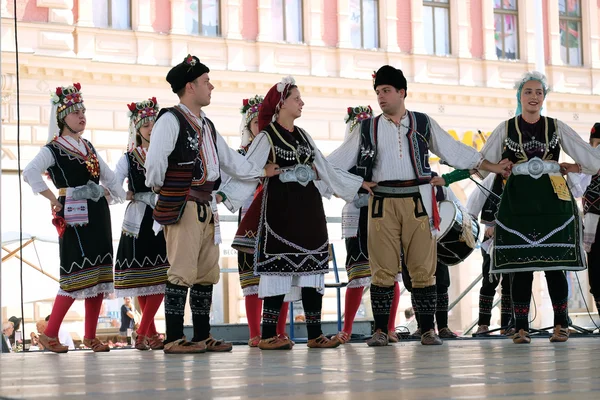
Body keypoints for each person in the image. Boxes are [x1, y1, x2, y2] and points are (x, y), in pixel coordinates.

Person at [324, 65, 510, 346]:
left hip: (419, 201)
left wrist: (492, 166)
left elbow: (453, 149)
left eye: (386, 91)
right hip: (382, 202)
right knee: (382, 270)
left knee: (423, 268)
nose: (381, 97)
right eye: (378, 92)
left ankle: (427, 330)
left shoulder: (422, 123)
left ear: (402, 92)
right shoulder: (367, 128)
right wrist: (354, 185)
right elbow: (334, 162)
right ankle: (381, 331)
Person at [218, 76, 369, 350]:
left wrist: (359, 185)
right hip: (281, 210)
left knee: (312, 269)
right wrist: (225, 194)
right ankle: (266, 335)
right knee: (278, 271)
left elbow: (325, 168)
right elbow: (248, 168)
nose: (302, 102)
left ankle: (314, 334)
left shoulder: (304, 135)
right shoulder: (267, 136)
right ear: (281, 104)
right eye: (296, 98)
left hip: (309, 209)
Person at [145, 55, 279, 354]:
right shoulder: (170, 119)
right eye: (206, 82)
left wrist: (260, 171)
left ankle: (202, 335)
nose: (212, 86)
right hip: (184, 203)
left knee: (206, 272)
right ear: (190, 87)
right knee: (181, 270)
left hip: (206, 204)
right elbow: (154, 166)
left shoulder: (206, 124)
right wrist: (167, 191)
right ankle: (173, 338)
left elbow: (230, 161)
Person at [458, 71, 600, 344]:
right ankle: (520, 327)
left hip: (552, 200)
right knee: (520, 264)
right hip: (518, 200)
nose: (533, 97)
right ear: (519, 97)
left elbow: (589, 156)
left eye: (538, 92)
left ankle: (561, 325)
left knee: (554, 264)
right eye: (528, 92)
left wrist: (576, 167)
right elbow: (480, 161)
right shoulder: (506, 128)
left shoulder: (556, 127)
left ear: (544, 97)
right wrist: (497, 167)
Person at [23, 83, 126, 353]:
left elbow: (111, 177)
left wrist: (116, 194)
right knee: (74, 273)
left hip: (98, 213)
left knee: (101, 275)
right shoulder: (53, 149)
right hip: (74, 213)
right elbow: (30, 172)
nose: (82, 116)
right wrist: (54, 200)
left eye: (83, 111)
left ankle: (90, 336)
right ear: (62, 117)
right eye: (75, 111)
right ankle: (51, 332)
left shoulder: (88, 146)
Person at [333, 105, 401, 344]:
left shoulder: (382, 154)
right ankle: (348, 328)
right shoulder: (345, 157)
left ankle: (389, 328)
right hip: (358, 217)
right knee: (357, 275)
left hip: (383, 215)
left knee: (389, 274)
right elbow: (334, 181)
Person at [234, 95, 290, 347]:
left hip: (278, 218)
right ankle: (255, 333)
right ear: (248, 126)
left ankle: (279, 331)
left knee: (281, 273)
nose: (260, 126)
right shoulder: (240, 155)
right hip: (250, 220)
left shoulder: (280, 151)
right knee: (251, 280)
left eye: (263, 122)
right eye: (256, 122)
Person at [114, 97, 168, 351]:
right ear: (136, 128)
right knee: (145, 281)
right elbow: (113, 185)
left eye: (153, 123)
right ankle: (149, 333)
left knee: (161, 277)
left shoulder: (165, 154)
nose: (150, 127)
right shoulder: (128, 158)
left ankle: (144, 331)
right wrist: (132, 194)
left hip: (162, 218)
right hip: (138, 221)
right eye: (145, 124)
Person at [466, 172, 514, 335]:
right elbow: (473, 204)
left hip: (514, 239)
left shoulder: (520, 179)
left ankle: (507, 325)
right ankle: (483, 325)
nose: (508, 168)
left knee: (509, 284)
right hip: (491, 242)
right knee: (489, 282)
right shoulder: (491, 179)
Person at [563, 122, 600, 326]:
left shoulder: (586, 162)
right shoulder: (586, 163)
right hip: (593, 224)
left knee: (597, 271)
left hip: (594, 223)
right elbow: (576, 190)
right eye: (594, 145)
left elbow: (576, 189)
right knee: (596, 272)